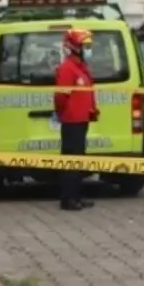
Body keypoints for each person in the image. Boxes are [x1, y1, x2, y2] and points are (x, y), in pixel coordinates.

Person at [53, 28, 99, 212]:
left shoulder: (81, 68)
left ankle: (77, 196)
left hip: (81, 120)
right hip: (72, 121)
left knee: (78, 160)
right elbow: (61, 97)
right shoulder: (67, 69)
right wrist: (66, 113)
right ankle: (68, 199)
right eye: (84, 45)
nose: (87, 48)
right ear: (74, 47)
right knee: (71, 161)